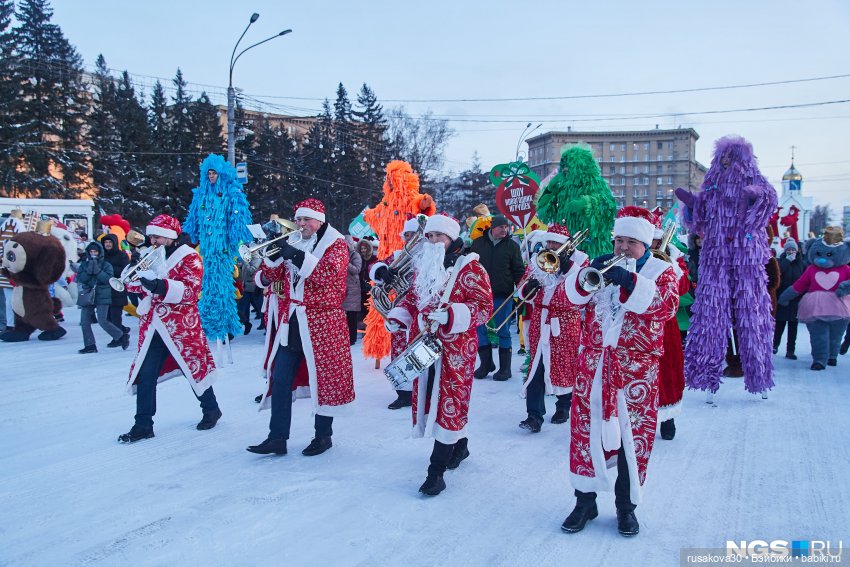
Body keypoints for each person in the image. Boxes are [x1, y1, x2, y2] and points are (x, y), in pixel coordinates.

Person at [560, 207, 679, 537]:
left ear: (645, 244)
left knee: (632, 440)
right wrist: (583, 278)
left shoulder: (662, 271)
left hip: (635, 372)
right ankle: (584, 502)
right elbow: (570, 301)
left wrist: (630, 281)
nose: (623, 248)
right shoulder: (602, 265)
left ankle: (626, 507)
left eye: (631, 242)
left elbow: (666, 307)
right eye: (619, 241)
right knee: (585, 435)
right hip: (593, 367)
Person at [386, 213, 492, 496]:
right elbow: (412, 298)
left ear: (452, 239)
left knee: (450, 402)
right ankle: (460, 445)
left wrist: (452, 315)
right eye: (429, 236)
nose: (433, 241)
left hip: (456, 349)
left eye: (438, 236)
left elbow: (484, 308)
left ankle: (436, 472)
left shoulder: (472, 269)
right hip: (424, 345)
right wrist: (399, 316)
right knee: (432, 397)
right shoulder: (423, 266)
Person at [247, 199, 355, 457]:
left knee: (324, 380)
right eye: (298, 219)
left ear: (319, 220)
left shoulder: (336, 244)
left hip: (324, 322)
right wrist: (272, 259)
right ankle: (277, 437)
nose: (301, 224)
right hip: (293, 319)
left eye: (307, 219)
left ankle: (323, 436)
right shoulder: (295, 241)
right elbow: (268, 278)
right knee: (280, 378)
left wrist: (293, 254)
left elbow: (327, 274)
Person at [118, 215, 221, 443]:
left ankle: (211, 409)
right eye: (151, 236)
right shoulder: (150, 254)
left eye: (157, 237)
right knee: (146, 374)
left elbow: (192, 290)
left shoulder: (190, 256)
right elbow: (133, 287)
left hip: (181, 326)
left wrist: (160, 286)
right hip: (154, 326)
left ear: (170, 236)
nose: (153, 241)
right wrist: (133, 269)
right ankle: (143, 424)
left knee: (192, 369)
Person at [518, 224, 588, 433]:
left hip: (565, 321)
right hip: (540, 319)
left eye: (556, 243)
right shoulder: (538, 260)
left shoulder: (581, 262)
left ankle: (563, 406)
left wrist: (569, 270)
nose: (551, 246)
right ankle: (534, 415)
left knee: (564, 365)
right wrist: (528, 290)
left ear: (566, 244)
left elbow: (584, 294)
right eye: (549, 242)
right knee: (536, 366)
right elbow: (522, 286)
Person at [371, 215, 425, 410]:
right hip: (400, 311)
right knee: (399, 351)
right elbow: (374, 267)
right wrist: (380, 271)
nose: (410, 238)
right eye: (407, 235)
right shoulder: (398, 255)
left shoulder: (431, 255)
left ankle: (422, 391)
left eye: (414, 234)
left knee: (422, 351)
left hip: (422, 309)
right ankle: (403, 393)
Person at [471, 214, 524, 381]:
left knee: (503, 331)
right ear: (493, 227)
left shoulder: (512, 246)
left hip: (503, 295)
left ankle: (505, 369)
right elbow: (470, 267)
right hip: (480, 295)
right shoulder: (478, 244)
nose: (505, 230)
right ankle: (486, 365)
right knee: (480, 329)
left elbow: (518, 270)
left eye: (507, 227)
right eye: (501, 227)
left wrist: (522, 292)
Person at [75, 241, 127, 354]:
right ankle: (90, 345)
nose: (93, 254)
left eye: (95, 252)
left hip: (102, 295)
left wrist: (98, 271)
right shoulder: (84, 264)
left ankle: (121, 336)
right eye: (91, 252)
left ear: (100, 253)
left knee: (102, 320)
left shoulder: (106, 265)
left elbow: (109, 280)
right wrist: (89, 271)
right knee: (84, 321)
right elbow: (80, 279)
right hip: (88, 295)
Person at [774, 238, 805, 359]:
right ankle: (775, 345)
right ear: (785, 250)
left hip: (796, 299)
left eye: (793, 249)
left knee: (793, 327)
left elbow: (804, 279)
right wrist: (787, 261)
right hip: (782, 297)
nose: (791, 252)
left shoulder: (801, 263)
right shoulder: (780, 261)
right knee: (780, 324)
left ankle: (790, 350)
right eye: (789, 249)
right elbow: (778, 273)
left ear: (797, 251)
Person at [101, 233, 130, 341]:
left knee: (115, 315)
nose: (108, 244)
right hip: (104, 290)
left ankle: (118, 338)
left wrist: (109, 270)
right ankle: (121, 330)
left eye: (110, 242)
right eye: (106, 242)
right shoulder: (102, 255)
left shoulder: (122, 255)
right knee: (107, 317)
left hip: (117, 289)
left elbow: (125, 270)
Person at [342, 236, 363, 345]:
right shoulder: (340, 254)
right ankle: (345, 337)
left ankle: (352, 339)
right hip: (342, 288)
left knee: (351, 316)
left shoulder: (355, 255)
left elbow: (356, 270)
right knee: (343, 316)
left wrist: (346, 262)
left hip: (352, 289)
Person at [237, 253, 263, 335]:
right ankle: (246, 323)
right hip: (246, 287)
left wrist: (246, 262)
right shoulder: (248, 259)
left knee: (260, 307)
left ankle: (264, 323)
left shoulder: (257, 259)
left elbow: (251, 271)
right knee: (243, 308)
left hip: (254, 288)